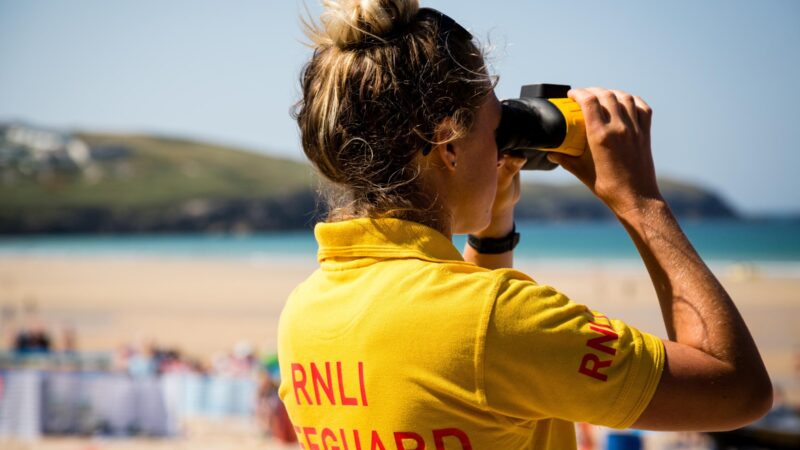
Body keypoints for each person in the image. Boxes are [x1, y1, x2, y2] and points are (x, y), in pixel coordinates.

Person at [277, 1, 772, 448]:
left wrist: (493, 231)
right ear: (448, 144)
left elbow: (471, 374)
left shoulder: (304, 313)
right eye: (497, 128)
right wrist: (639, 201)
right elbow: (737, 390)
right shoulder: (493, 321)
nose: (502, 149)